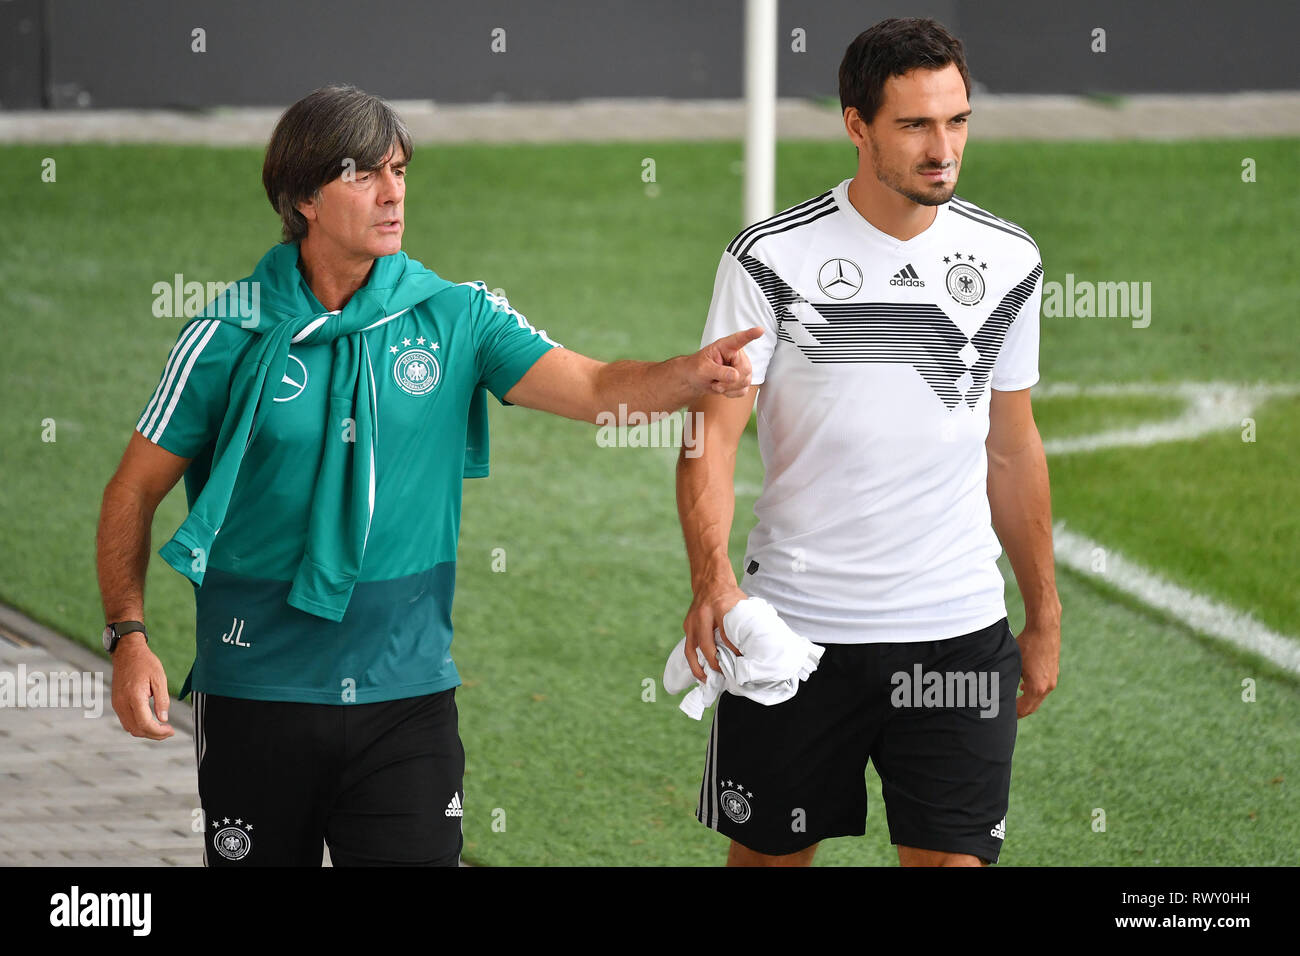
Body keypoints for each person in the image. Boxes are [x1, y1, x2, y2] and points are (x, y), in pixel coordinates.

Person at [96, 84, 759, 867]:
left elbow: (593, 388)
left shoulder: (457, 315)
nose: (392, 194)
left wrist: (690, 372)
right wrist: (128, 636)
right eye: (365, 176)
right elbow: (134, 489)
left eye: (401, 171)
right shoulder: (225, 333)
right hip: (255, 690)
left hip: (405, 699)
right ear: (302, 196)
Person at [677, 17, 1061, 867]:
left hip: (958, 631)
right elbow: (710, 440)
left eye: (957, 120)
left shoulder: (1009, 261)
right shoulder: (769, 260)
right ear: (857, 124)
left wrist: (1044, 614)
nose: (943, 148)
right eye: (915, 124)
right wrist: (712, 581)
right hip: (799, 633)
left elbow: (1013, 446)